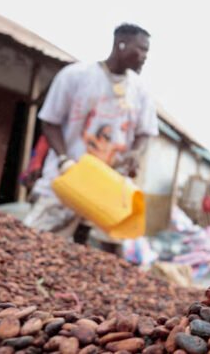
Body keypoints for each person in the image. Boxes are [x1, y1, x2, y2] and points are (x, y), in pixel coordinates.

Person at [23, 23, 158, 255]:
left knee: (99, 258)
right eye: (141, 50)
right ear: (121, 44)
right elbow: (50, 121)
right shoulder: (76, 76)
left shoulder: (141, 91)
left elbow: (145, 132)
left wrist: (135, 152)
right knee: (35, 247)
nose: (144, 57)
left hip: (109, 186)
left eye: (147, 51)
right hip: (68, 180)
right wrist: (64, 159)